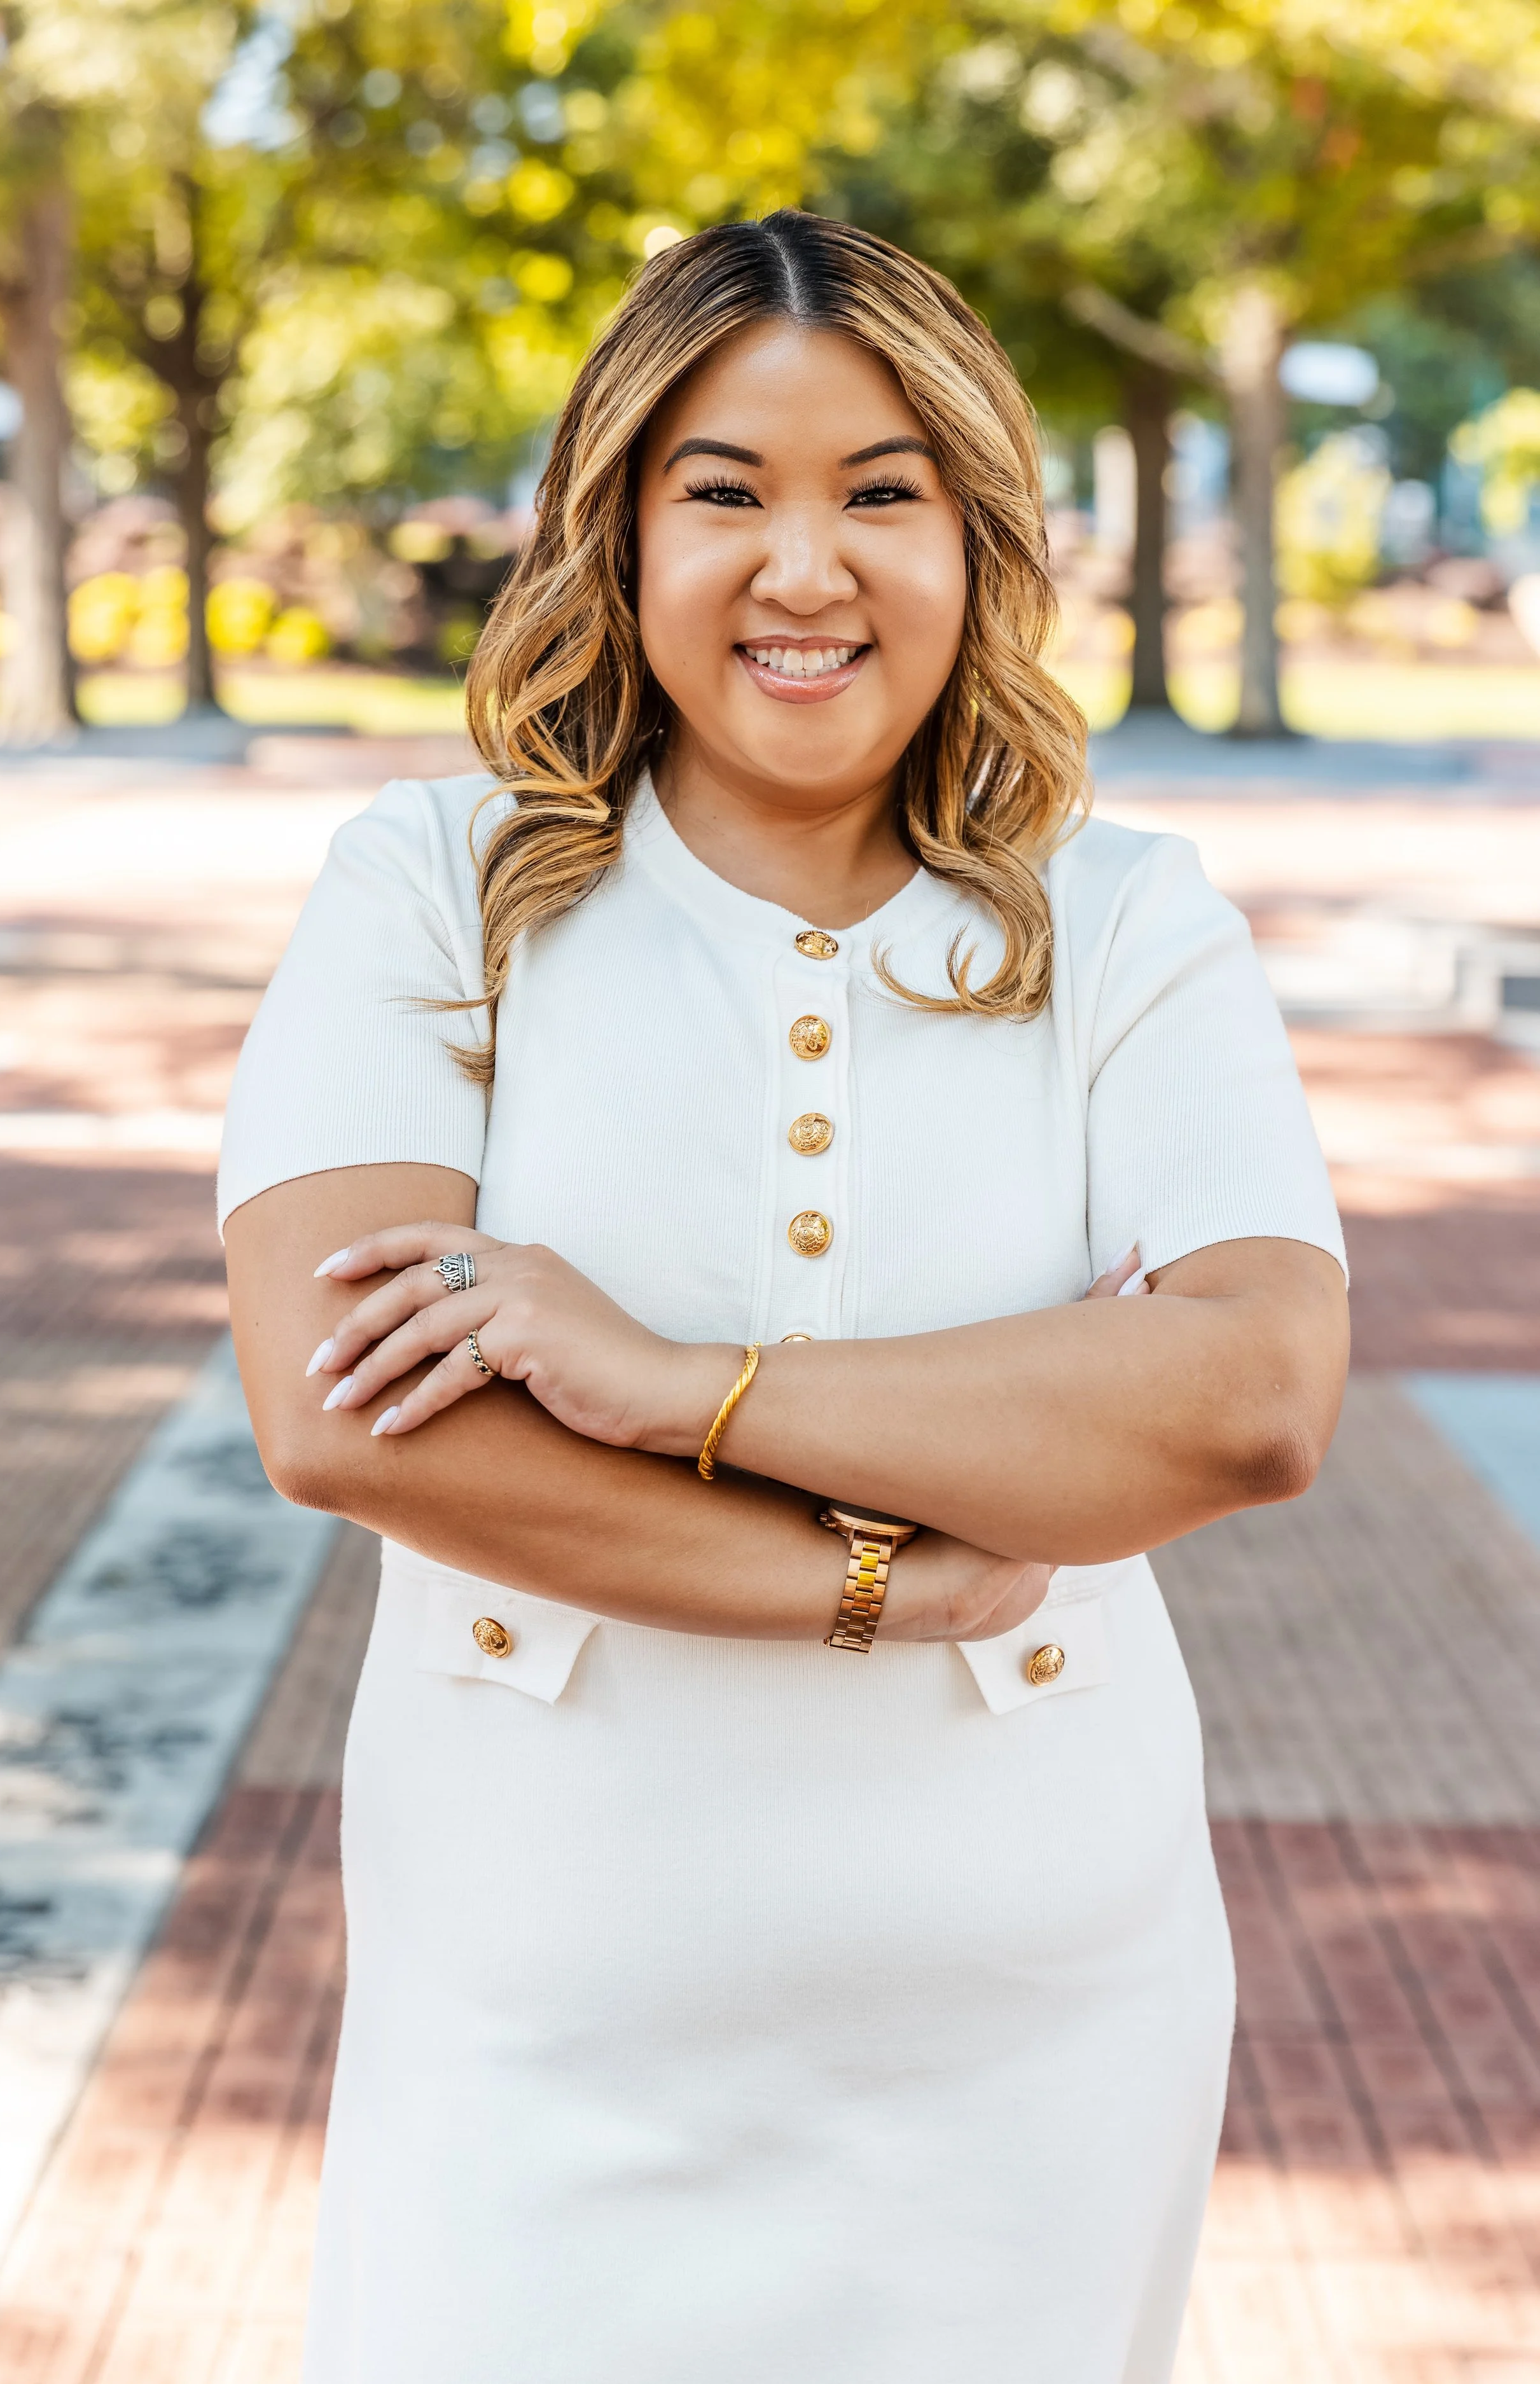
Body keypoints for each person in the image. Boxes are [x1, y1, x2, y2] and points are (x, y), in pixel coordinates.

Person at [220, 210, 1348, 2384]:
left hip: (1039, 2033)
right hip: (542, 2021)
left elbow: (1247, 1395)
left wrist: (668, 1382)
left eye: (880, 494)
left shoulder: (1124, 924)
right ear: (618, 534)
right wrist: (879, 1578)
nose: (803, 570)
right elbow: (344, 1410)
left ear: (978, 541)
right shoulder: (430, 884)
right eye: (724, 491)